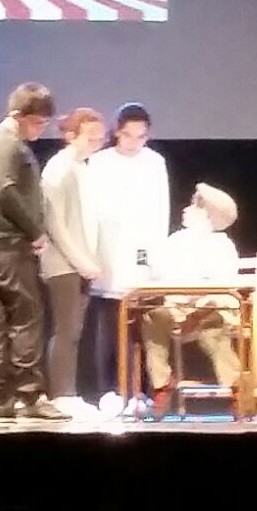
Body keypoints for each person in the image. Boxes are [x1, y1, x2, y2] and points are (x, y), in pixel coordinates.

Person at [0, 83, 68, 421]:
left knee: (0, 318)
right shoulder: (5, 143)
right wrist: (35, 231)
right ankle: (30, 395)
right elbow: (5, 190)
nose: (40, 130)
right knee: (28, 314)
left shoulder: (7, 142)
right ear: (18, 115)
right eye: (37, 122)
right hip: (5, 240)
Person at [85, 103, 170, 412]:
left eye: (141, 136)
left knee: (144, 327)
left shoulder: (154, 162)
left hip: (143, 253)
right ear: (117, 132)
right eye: (128, 135)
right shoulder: (99, 162)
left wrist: (156, 256)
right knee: (109, 325)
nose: (134, 142)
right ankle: (109, 390)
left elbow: (161, 210)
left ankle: (141, 391)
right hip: (109, 252)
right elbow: (91, 211)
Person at [140, 183, 245, 415]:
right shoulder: (176, 241)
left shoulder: (221, 245)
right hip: (178, 309)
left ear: (208, 215)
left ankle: (236, 386)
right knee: (153, 317)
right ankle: (162, 384)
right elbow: (157, 272)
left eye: (194, 206)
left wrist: (201, 305)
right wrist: (144, 258)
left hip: (211, 308)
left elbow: (225, 283)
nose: (186, 209)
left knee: (212, 327)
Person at [39, 107, 105, 419]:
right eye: (90, 137)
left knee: (74, 330)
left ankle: (70, 392)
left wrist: (91, 260)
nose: (96, 143)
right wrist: (81, 261)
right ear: (70, 135)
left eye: (100, 138)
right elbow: (55, 223)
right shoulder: (59, 169)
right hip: (63, 263)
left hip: (80, 263)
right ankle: (61, 394)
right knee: (65, 329)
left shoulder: (82, 168)